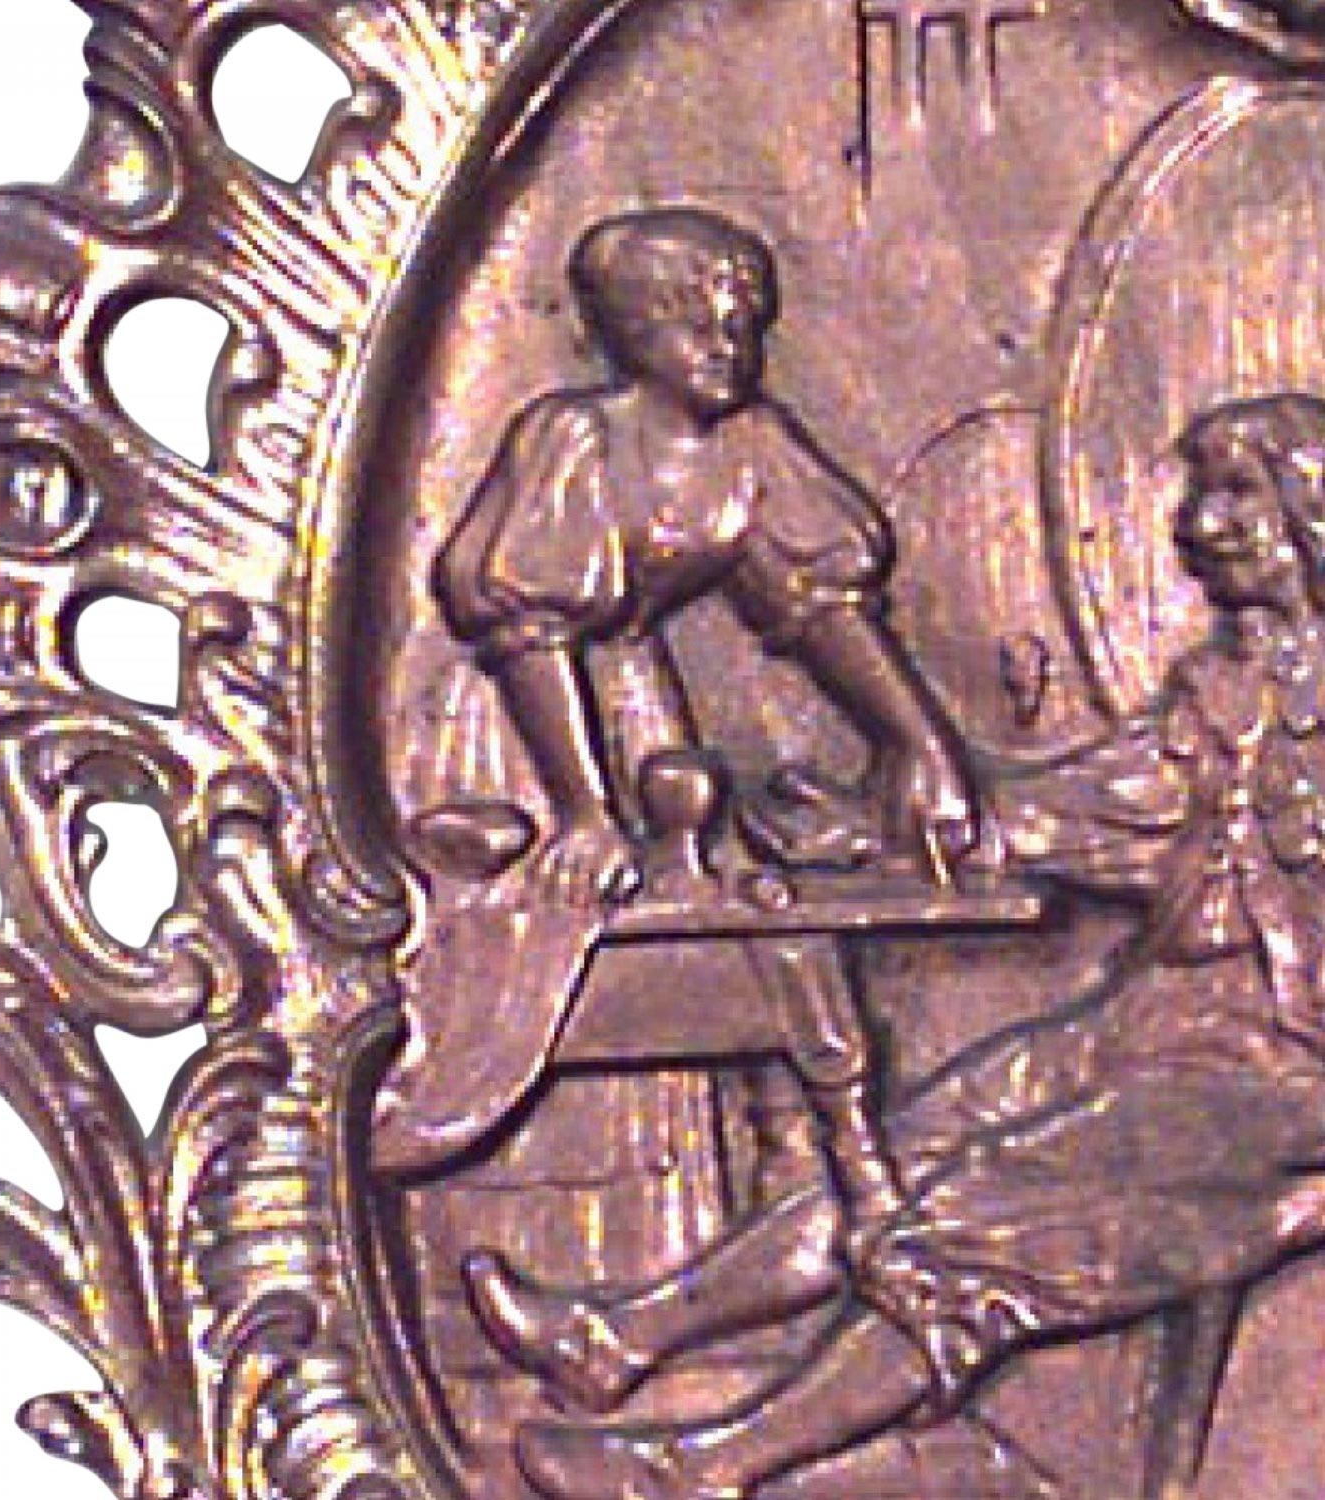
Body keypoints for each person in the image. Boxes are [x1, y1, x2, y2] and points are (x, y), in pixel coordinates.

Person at [462, 393, 1325, 1500]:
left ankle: (702, 1469)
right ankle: (622, 1337)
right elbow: (1106, 812)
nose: (1201, 524)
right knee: (910, 1144)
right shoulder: (1229, 695)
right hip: (1176, 1019)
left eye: (1239, 495)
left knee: (991, 1210)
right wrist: (880, 823)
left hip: (1291, 1075)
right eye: (1203, 492)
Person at [434, 206, 977, 906]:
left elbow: (819, 607)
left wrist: (919, 746)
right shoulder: (573, 438)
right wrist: (584, 813)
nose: (728, 350)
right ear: (634, 333)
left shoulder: (753, 444)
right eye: (699, 330)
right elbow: (528, 636)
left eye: (740, 329)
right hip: (535, 722)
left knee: (702, 832)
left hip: (635, 697)